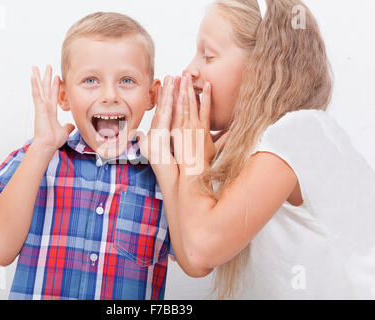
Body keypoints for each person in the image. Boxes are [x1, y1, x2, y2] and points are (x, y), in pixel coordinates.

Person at [140, 0, 375, 299]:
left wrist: (193, 156)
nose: (190, 70)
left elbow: (200, 250)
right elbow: (192, 258)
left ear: (261, 68)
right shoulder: (244, 146)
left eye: (208, 56)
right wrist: (164, 162)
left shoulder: (300, 133)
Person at [0, 12, 175, 300]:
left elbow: (196, 259)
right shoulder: (37, 157)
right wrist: (41, 148)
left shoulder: (163, 172)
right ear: (63, 95)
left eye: (127, 80)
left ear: (152, 96)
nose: (110, 95)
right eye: (91, 80)